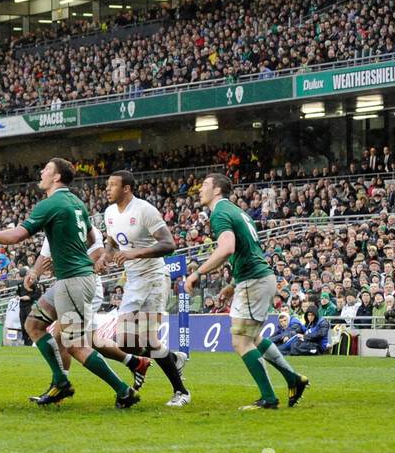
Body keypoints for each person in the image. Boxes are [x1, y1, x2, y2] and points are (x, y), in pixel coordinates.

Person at [0, 158, 139, 409]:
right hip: (72, 279)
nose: (41, 172)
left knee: (75, 345)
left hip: (73, 281)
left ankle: (123, 390)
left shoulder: (51, 203)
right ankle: (61, 381)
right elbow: (92, 237)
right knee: (33, 324)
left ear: (56, 177)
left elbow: (17, 236)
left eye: (46, 169)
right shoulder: (76, 202)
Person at [186, 173, 309, 410]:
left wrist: (197, 273)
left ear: (217, 191)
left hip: (254, 280)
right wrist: (233, 285)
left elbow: (227, 248)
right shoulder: (235, 211)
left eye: (204, 186)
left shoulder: (220, 213)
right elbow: (244, 250)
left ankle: (269, 398)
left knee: (241, 341)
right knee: (252, 338)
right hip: (256, 278)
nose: (200, 190)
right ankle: (293, 379)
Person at [101, 170, 191, 405]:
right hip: (133, 281)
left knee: (149, 340)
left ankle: (181, 392)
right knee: (125, 341)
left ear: (126, 189)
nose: (107, 189)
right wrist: (105, 257)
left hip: (154, 279)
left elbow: (168, 244)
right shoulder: (109, 213)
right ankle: (172, 358)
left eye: (112, 185)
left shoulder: (144, 210)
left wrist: (135, 253)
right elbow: (111, 242)